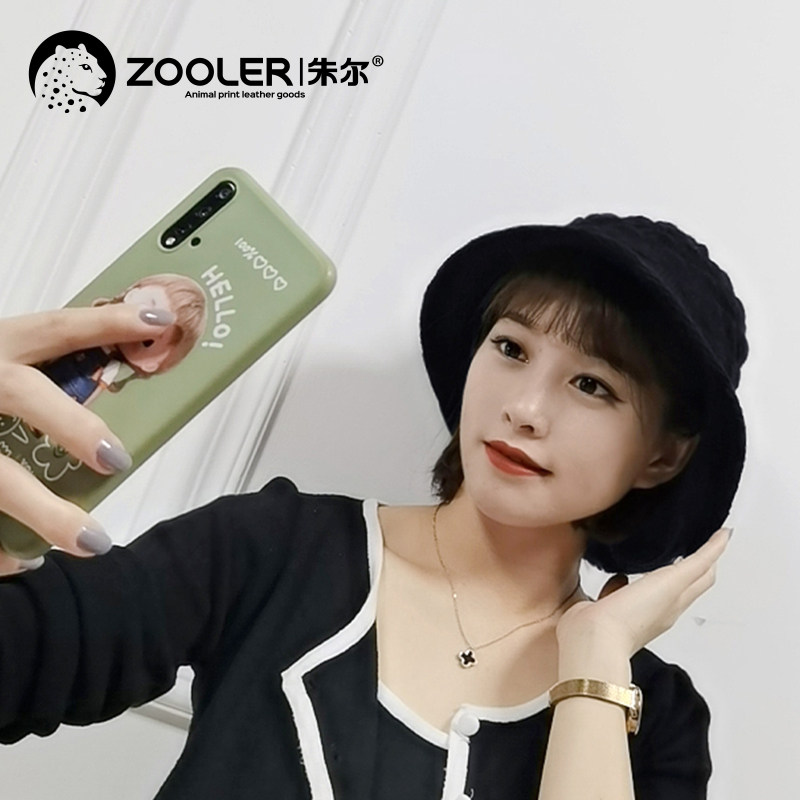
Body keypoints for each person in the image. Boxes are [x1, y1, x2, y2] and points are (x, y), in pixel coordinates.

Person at [0, 213, 747, 799]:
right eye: (512, 348)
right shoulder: (279, 550)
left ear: (663, 455)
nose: (523, 409)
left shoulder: (652, 719)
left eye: (592, 385)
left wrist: (594, 659)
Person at [37, 273, 208, 406]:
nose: (141, 327)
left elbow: (97, 390)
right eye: (149, 304)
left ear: (151, 363)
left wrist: (79, 409)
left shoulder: (111, 367)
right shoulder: (86, 325)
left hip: (74, 388)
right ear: (134, 292)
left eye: (148, 340)